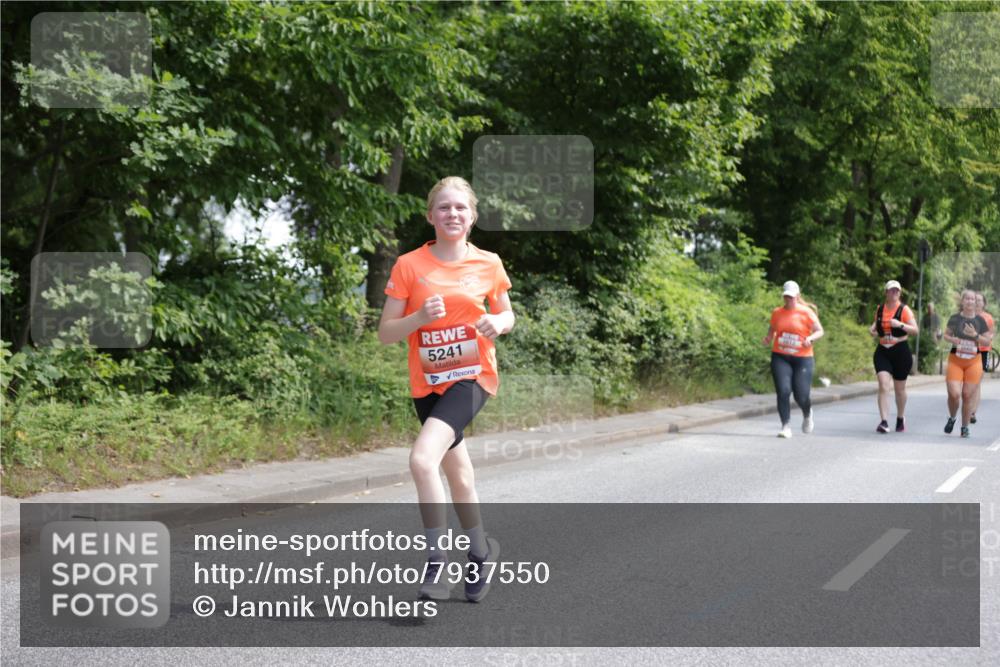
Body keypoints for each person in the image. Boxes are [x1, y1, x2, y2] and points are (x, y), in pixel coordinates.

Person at [378, 176, 514, 602]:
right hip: (428, 383)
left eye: (460, 208)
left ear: (472, 217)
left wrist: (498, 322)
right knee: (460, 476)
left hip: (473, 376)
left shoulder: (488, 263)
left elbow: (508, 314)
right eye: (444, 207)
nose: (452, 214)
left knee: (422, 460)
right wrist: (419, 317)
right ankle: (481, 553)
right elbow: (385, 333)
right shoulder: (409, 265)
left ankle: (438, 562)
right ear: (430, 216)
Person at [762, 280, 824, 438]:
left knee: (801, 396)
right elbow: (773, 327)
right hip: (780, 357)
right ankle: (785, 426)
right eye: (786, 296)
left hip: (802, 358)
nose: (788, 299)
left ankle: (807, 413)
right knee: (783, 391)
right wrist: (769, 337)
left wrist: (810, 338)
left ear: (797, 296)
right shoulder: (777, 312)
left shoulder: (806, 312)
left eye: (791, 297)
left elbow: (819, 331)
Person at [869, 280, 919, 433]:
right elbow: (875, 326)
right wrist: (873, 331)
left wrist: (900, 325)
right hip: (883, 351)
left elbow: (915, 330)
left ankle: (900, 417)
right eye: (891, 290)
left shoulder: (904, 310)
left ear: (900, 293)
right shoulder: (880, 309)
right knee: (883, 385)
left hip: (900, 352)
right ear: (886, 293)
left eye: (897, 290)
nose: (894, 293)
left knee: (899, 390)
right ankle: (884, 421)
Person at [942, 289, 991, 438]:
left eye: (972, 299)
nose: (970, 301)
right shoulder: (955, 318)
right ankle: (952, 418)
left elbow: (987, 341)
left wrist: (975, 335)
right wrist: (953, 339)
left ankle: (964, 427)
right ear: (962, 301)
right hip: (956, 360)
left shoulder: (981, 321)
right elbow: (946, 335)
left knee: (967, 395)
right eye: (967, 299)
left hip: (973, 361)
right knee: (954, 394)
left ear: (976, 303)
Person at [970, 292, 994, 424]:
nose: (977, 302)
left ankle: (972, 412)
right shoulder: (968, 316)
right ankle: (969, 408)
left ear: (984, 304)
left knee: (977, 382)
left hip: (984, 351)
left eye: (980, 300)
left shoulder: (988, 318)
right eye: (975, 300)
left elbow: (991, 335)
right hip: (970, 351)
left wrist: (982, 338)